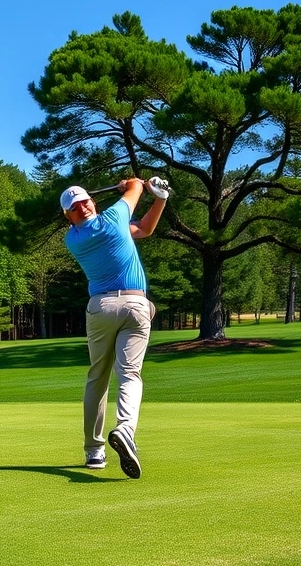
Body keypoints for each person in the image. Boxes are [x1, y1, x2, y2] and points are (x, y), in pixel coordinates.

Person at [60, 176, 169, 478]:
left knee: (98, 376)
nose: (82, 207)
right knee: (129, 374)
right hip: (134, 306)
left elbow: (144, 229)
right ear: (67, 216)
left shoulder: (75, 239)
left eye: (84, 201)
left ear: (91, 202)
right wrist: (133, 184)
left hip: (100, 309)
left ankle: (94, 452)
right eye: (75, 206)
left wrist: (159, 198)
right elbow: (134, 189)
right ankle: (125, 430)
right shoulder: (111, 218)